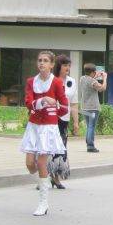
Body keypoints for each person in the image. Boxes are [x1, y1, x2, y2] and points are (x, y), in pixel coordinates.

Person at [21, 51, 68, 216]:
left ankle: (43, 203)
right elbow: (28, 103)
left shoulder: (56, 83)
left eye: (45, 61)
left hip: (48, 128)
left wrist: (55, 104)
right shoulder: (30, 82)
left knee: (41, 163)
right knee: (29, 165)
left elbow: (64, 108)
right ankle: (45, 177)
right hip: (33, 126)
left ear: (51, 64)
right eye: (39, 60)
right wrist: (42, 100)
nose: (41, 63)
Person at [48, 55, 75, 190]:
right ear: (59, 66)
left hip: (64, 119)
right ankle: (47, 177)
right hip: (51, 118)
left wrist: (76, 123)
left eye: (69, 65)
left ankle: (55, 177)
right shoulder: (51, 80)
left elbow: (74, 103)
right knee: (48, 148)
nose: (68, 68)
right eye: (65, 65)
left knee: (61, 148)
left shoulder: (71, 82)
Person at [78, 63, 106, 153]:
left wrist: (95, 76)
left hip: (84, 107)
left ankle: (88, 144)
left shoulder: (82, 79)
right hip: (93, 107)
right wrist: (105, 78)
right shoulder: (93, 81)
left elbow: (89, 81)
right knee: (91, 126)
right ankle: (90, 145)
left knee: (88, 126)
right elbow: (102, 88)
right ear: (93, 72)